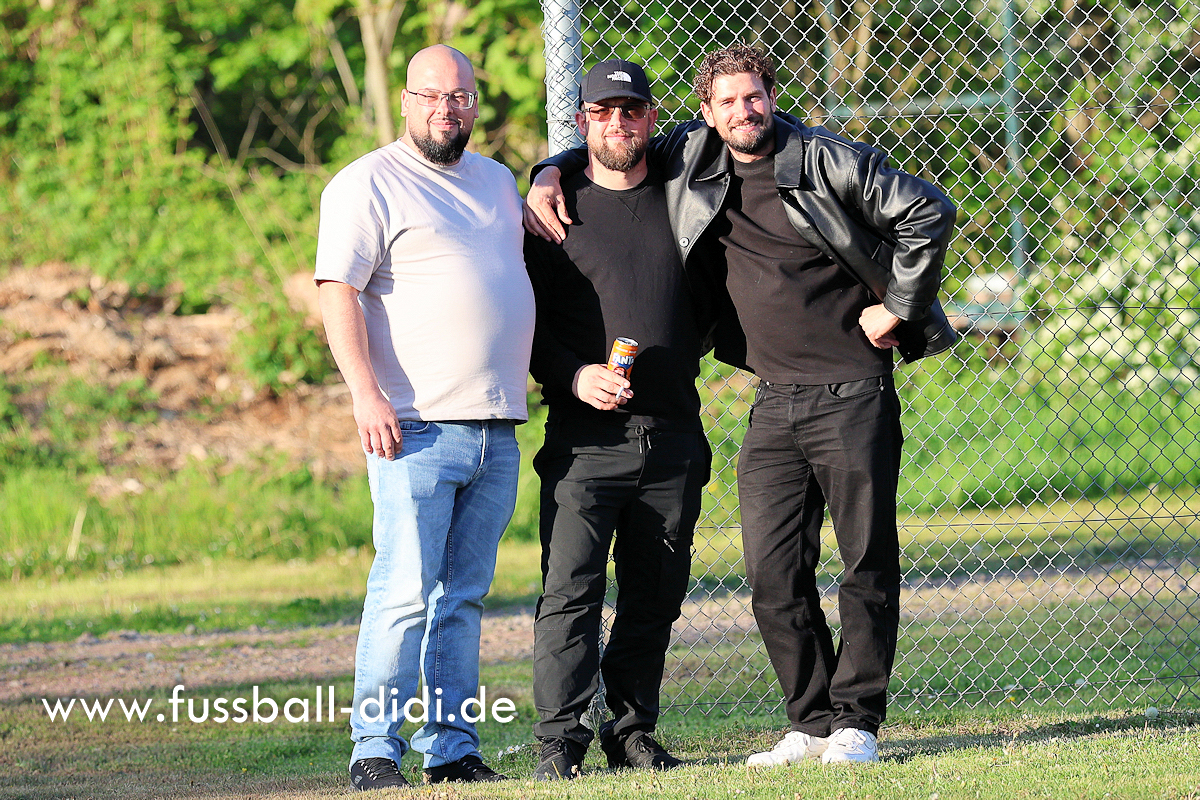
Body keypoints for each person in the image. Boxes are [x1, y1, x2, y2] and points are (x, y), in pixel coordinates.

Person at [525, 42, 957, 766]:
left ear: (771, 97)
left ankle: (854, 722)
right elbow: (604, 152)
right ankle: (808, 721)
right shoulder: (682, 163)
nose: (742, 111)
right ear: (706, 112)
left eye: (752, 96)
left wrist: (899, 308)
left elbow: (928, 210)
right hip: (763, 401)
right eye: (726, 101)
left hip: (846, 390)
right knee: (769, 574)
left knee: (863, 563)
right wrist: (546, 172)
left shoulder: (813, 160)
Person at [314, 44, 533, 790]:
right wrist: (364, 393)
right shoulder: (367, 182)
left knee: (462, 599)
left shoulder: (497, 181)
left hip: (495, 429)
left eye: (460, 96)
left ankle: (452, 749)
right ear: (407, 101)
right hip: (413, 427)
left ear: (474, 103)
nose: (447, 108)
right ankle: (375, 749)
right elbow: (337, 290)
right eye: (432, 96)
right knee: (404, 591)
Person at [524, 59, 712, 781]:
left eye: (631, 111)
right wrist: (574, 376)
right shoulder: (553, 211)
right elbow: (528, 324)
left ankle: (631, 732)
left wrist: (549, 162)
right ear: (582, 123)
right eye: (602, 113)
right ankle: (559, 741)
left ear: (651, 119)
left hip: (673, 433)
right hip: (585, 441)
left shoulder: (683, 191)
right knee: (569, 592)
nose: (617, 124)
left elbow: (735, 126)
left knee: (653, 596)